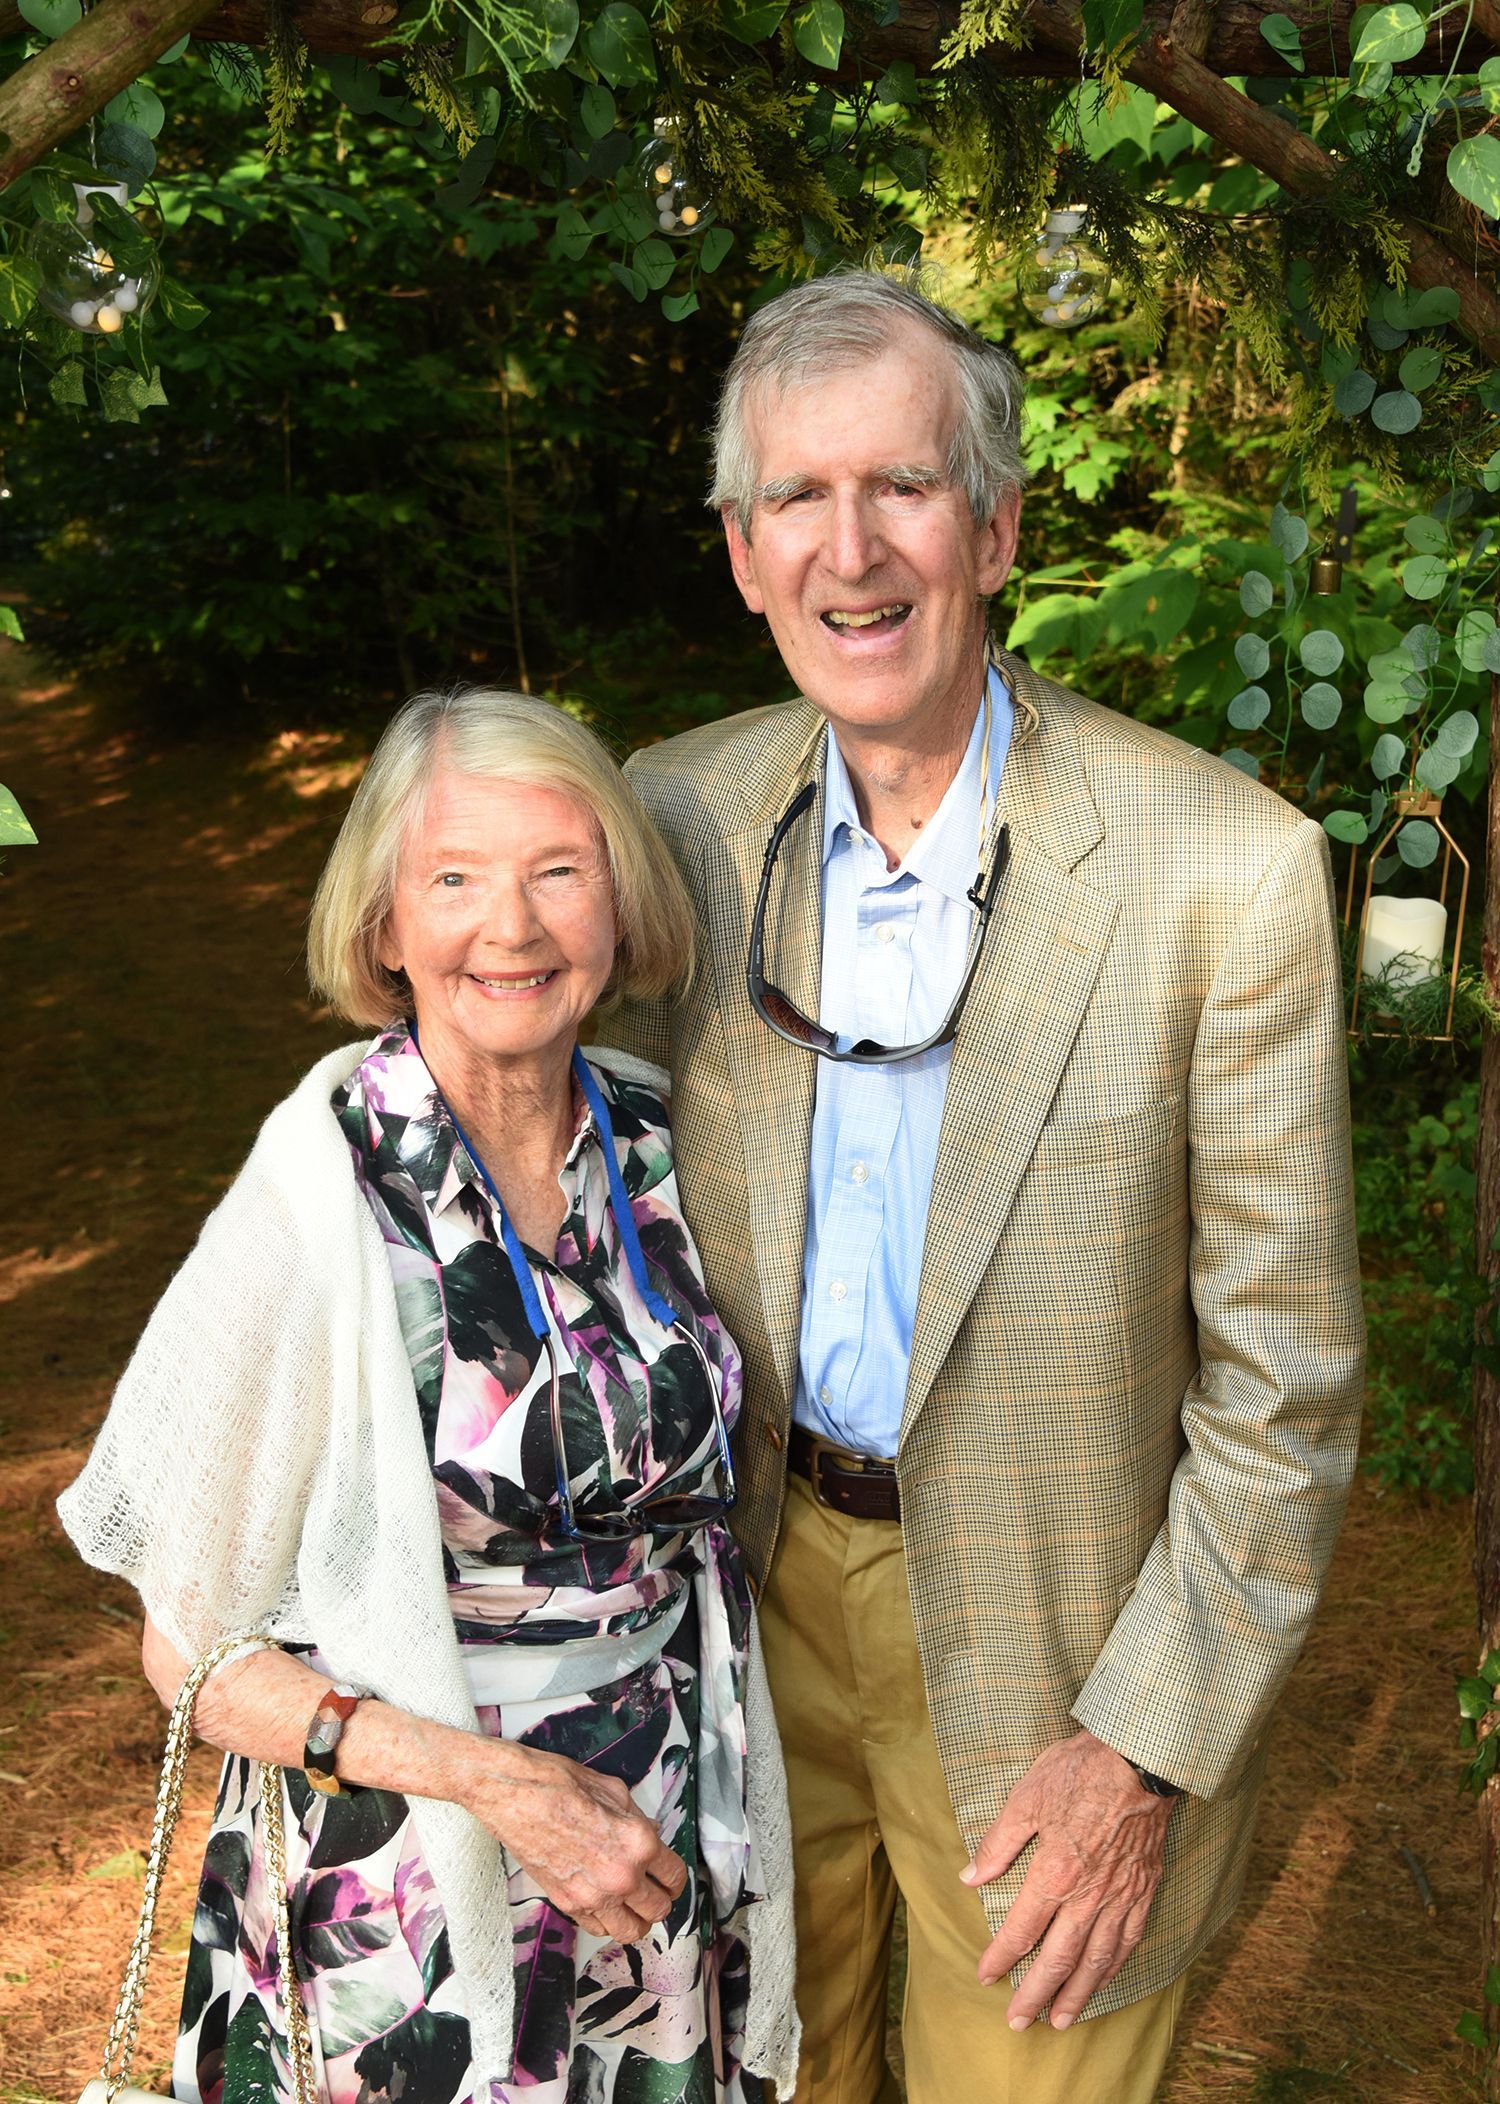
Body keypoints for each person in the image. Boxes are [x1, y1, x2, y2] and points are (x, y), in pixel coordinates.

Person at [610, 270, 1366, 2104]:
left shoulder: (1224, 873)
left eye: (903, 489)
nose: (850, 550)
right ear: (738, 548)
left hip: (1058, 1665)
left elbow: (1287, 1401)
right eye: (796, 495)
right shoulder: (672, 827)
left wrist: (1139, 1752)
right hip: (742, 1629)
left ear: (998, 525)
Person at [58, 689, 799, 2104]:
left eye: (556, 871)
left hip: (653, 1846)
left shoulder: (666, 1142)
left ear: (621, 906)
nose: (507, 927)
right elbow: (193, 1654)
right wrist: (489, 1783)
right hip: (398, 1886)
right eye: (452, 879)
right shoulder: (316, 1191)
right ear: (385, 927)